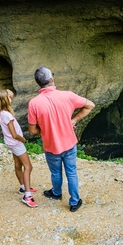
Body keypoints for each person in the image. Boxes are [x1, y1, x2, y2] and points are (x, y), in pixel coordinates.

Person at [28, 67, 95, 212]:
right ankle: (74, 202)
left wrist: (45, 129)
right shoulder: (67, 96)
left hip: (51, 145)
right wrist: (74, 120)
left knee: (56, 172)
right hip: (69, 143)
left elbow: (32, 130)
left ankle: (56, 193)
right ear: (51, 79)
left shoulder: (34, 103)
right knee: (71, 172)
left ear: (37, 83)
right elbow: (90, 105)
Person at [0, 89, 38, 208]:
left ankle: (23, 187)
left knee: (18, 165)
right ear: (4, 100)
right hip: (16, 143)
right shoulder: (7, 115)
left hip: (11, 144)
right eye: (9, 97)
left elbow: (10, 93)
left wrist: (6, 93)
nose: (11, 98)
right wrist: (23, 139)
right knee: (28, 167)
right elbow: (14, 134)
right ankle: (27, 196)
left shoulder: (1, 113)